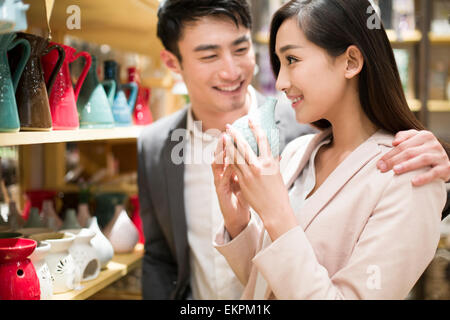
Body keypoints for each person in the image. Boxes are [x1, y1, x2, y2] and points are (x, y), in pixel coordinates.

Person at [138, 0, 450, 300]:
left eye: (292, 60)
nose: (280, 81)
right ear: (173, 63)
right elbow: (268, 285)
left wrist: (275, 212)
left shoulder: (407, 172)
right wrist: (239, 223)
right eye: (279, 62)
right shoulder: (300, 151)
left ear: (351, 61)